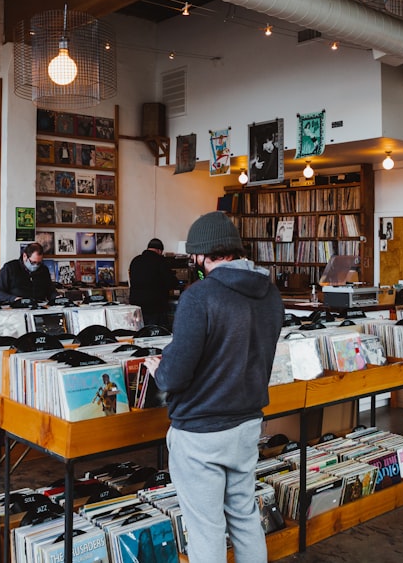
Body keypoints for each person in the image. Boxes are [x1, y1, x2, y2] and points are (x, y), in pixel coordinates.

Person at [143, 211, 283, 563]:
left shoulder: (200, 296)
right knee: (245, 517)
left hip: (201, 431)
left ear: (201, 255)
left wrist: (161, 369)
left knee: (206, 528)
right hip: (248, 423)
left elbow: (176, 376)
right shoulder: (270, 294)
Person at [128, 238, 176, 328]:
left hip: (136, 307)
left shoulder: (135, 261)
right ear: (159, 250)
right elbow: (171, 282)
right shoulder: (161, 261)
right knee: (156, 335)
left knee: (141, 334)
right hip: (155, 307)